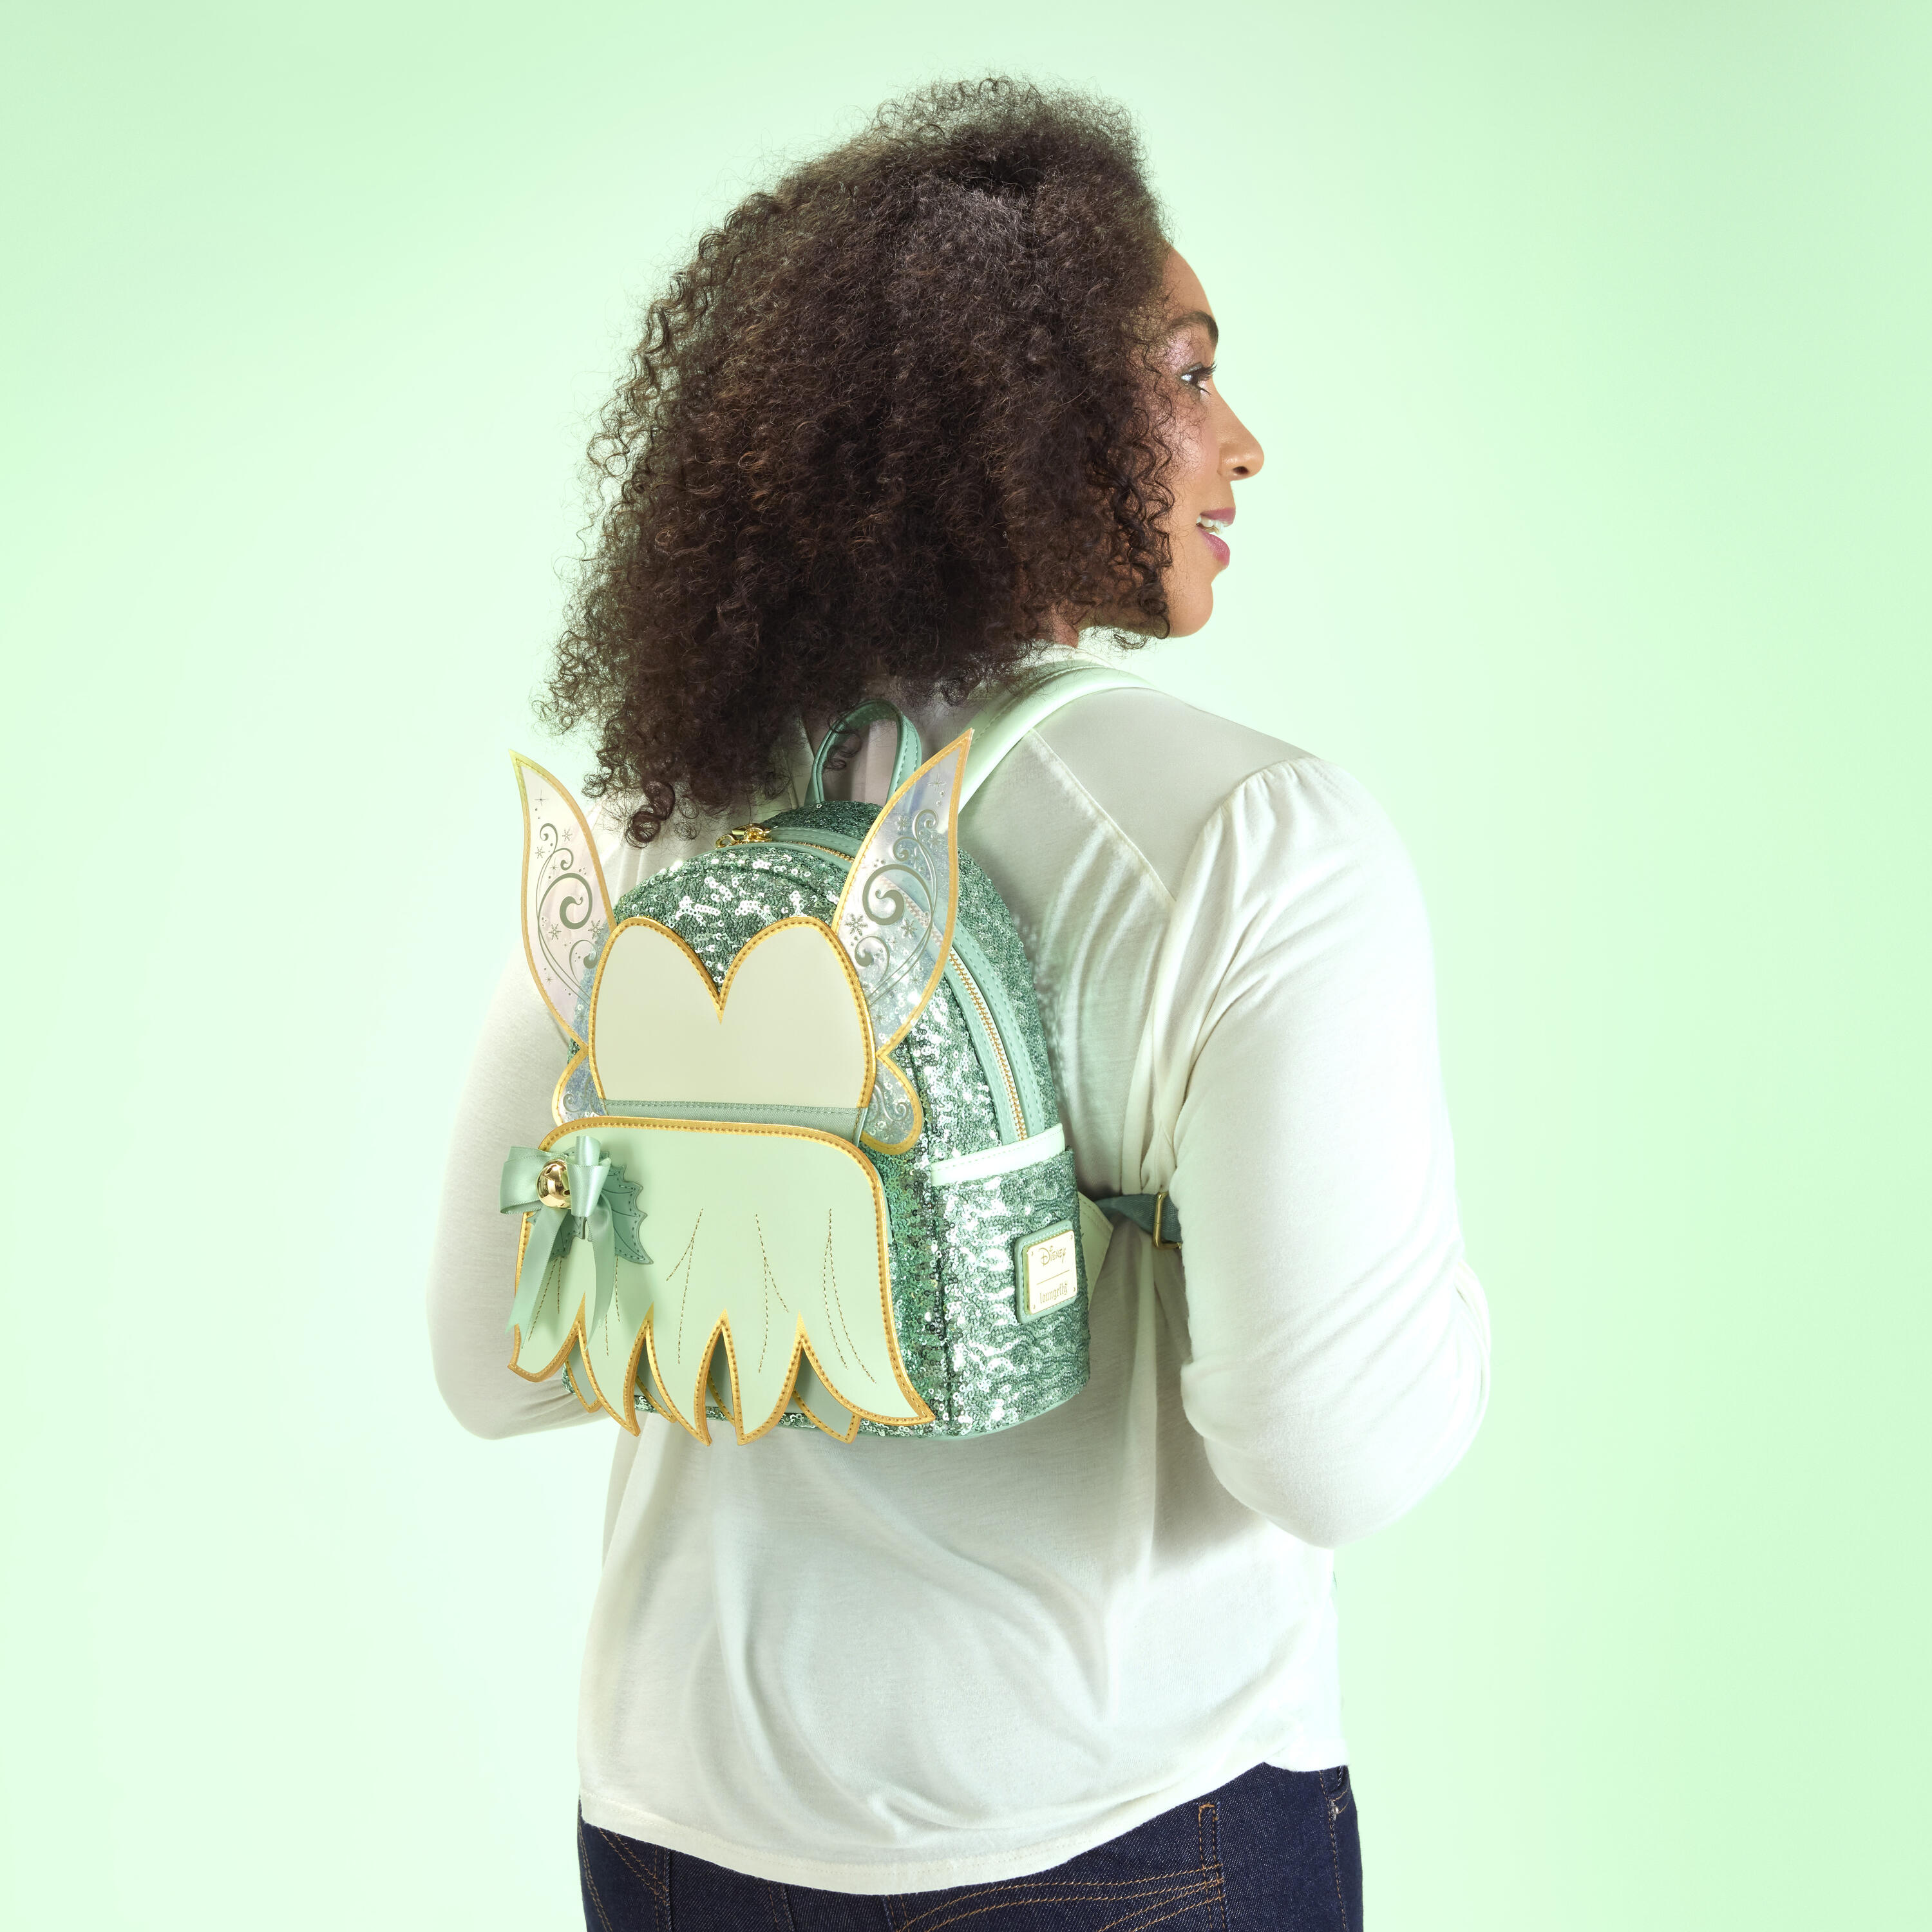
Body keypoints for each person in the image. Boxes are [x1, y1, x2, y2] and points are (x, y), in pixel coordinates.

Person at [429, 77, 1490, 1931]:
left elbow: (492, 1361)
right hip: (1115, 1828)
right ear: (1025, 419)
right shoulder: (1249, 841)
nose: (1243, 445)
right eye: (1186, 376)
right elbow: (1335, 1450)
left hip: (678, 1829)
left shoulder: (660, 824)